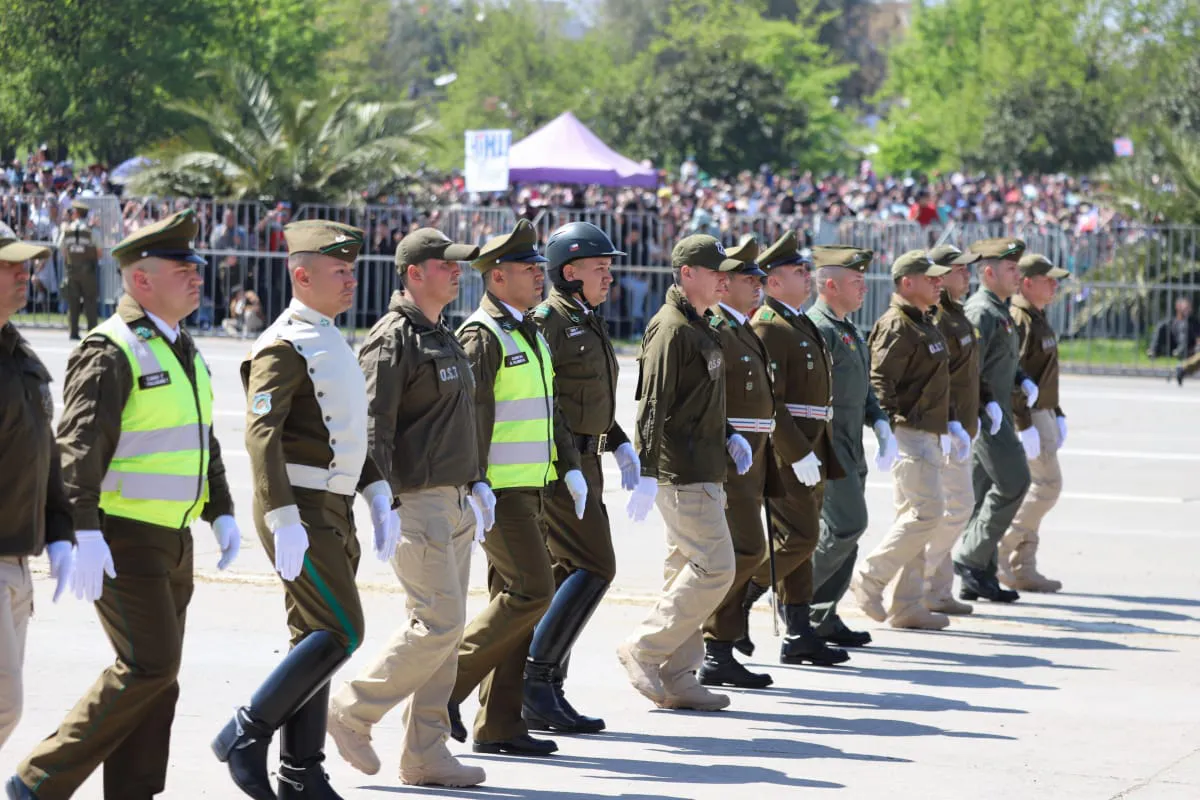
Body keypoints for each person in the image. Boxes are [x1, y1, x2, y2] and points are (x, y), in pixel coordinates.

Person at [8, 209, 241, 800]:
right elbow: (79, 446)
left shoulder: (180, 345)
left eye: (196, 265)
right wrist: (81, 528)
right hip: (123, 536)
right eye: (181, 267)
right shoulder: (111, 348)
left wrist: (222, 508)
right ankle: (39, 780)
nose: (196, 275)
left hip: (173, 536)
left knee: (161, 678)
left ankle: (134, 792)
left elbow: (202, 434)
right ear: (141, 281)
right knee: (148, 666)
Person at [213, 220, 400, 800]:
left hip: (332, 507)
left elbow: (341, 434)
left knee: (311, 638)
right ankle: (245, 733)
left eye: (352, 270)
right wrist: (281, 517)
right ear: (302, 275)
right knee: (343, 630)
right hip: (301, 510)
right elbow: (262, 436)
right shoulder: (282, 344)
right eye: (340, 271)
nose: (351, 281)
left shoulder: (329, 336)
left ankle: (301, 772)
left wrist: (374, 492)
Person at [326, 228, 485, 787]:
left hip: (454, 498)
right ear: (415, 273)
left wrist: (477, 482)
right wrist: (381, 498)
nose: (458, 272)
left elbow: (456, 419)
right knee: (438, 623)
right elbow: (374, 425)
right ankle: (352, 708)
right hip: (417, 501)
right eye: (447, 265)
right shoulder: (395, 338)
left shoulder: (440, 332)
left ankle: (426, 753)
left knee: (446, 629)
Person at [446, 219, 584, 757]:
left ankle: (499, 724)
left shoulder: (526, 329)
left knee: (515, 605)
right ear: (497, 276)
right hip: (498, 492)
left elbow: (551, 412)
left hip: (532, 486)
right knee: (533, 592)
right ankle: (443, 690)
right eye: (528, 268)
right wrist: (475, 481)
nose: (537, 275)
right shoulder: (482, 336)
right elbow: (473, 417)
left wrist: (567, 465)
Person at [618, 233, 745, 712]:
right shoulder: (671, 328)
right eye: (716, 272)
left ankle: (676, 676)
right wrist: (647, 469)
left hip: (705, 463)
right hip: (683, 470)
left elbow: (702, 393)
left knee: (683, 572)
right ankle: (645, 648)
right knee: (716, 569)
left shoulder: (700, 323)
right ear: (688, 273)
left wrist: (729, 431)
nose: (724, 280)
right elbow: (654, 403)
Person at [524, 221, 637, 733]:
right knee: (594, 565)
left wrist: (618, 441)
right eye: (600, 268)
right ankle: (535, 680)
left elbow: (587, 397)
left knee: (566, 572)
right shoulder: (549, 319)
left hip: (587, 460)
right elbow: (543, 401)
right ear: (570, 273)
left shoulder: (585, 317)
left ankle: (546, 691)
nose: (608, 276)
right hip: (559, 465)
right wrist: (568, 463)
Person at [727, 232, 851, 671]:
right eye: (797, 272)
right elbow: (771, 400)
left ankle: (798, 630)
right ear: (774, 284)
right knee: (800, 538)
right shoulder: (768, 324)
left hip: (812, 441)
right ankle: (740, 595)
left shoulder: (797, 320)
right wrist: (795, 451)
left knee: (801, 538)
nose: (806, 276)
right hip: (788, 447)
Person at [851, 251, 958, 630]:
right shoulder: (897, 324)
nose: (938, 283)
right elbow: (879, 379)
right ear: (907, 282)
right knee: (927, 512)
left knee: (915, 518)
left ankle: (907, 604)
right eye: (930, 278)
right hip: (908, 432)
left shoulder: (922, 320)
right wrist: (887, 430)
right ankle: (870, 576)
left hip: (926, 431)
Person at [0, 227, 74, 754]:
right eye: (9, 265)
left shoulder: (15, 348)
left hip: (17, 560)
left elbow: (42, 447)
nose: (23, 273)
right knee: (5, 703)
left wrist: (62, 531)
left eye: (26, 264)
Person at [697, 234, 779, 688]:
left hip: (754, 453)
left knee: (746, 551)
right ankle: (714, 641)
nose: (759, 284)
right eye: (750, 277)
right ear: (723, 284)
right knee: (745, 550)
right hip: (732, 456)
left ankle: (720, 644)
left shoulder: (741, 327)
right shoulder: (720, 330)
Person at [805, 246, 897, 647]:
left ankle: (823, 615)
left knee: (848, 534)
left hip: (851, 444)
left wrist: (879, 422)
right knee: (846, 525)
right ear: (830, 285)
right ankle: (796, 596)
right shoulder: (818, 329)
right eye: (856, 282)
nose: (864, 288)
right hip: (827, 445)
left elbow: (863, 389)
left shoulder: (849, 329)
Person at [951, 238, 1036, 603]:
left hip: (997, 411)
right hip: (986, 418)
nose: (1018, 274)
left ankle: (979, 575)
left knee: (984, 493)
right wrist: (984, 410)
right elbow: (971, 367)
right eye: (1012, 269)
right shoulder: (981, 312)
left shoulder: (999, 309)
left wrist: (1020, 379)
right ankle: (969, 557)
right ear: (989, 273)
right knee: (1015, 481)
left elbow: (1002, 359)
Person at [998, 253, 1071, 593]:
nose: (1055, 285)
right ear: (1028, 283)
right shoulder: (1020, 319)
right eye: (1048, 279)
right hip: (1029, 416)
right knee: (1047, 486)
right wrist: (1024, 422)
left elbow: (1042, 374)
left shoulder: (1037, 316)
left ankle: (1023, 566)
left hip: (1044, 412)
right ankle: (998, 546)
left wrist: (1057, 412)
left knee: (1036, 490)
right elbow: (1015, 377)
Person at [922, 243, 983, 615]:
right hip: (949, 424)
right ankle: (916, 575)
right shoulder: (940, 318)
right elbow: (937, 378)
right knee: (958, 506)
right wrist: (948, 422)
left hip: (964, 422)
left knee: (950, 507)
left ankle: (937, 590)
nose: (967, 275)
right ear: (941, 277)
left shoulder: (957, 314)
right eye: (960, 270)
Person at [56, 199, 100, 340]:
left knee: (73, 302)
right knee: (90, 302)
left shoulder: (66, 231)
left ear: (75, 213)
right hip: (88, 271)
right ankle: (92, 332)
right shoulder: (92, 231)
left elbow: (61, 248)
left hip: (71, 271)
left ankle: (73, 332)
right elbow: (99, 252)